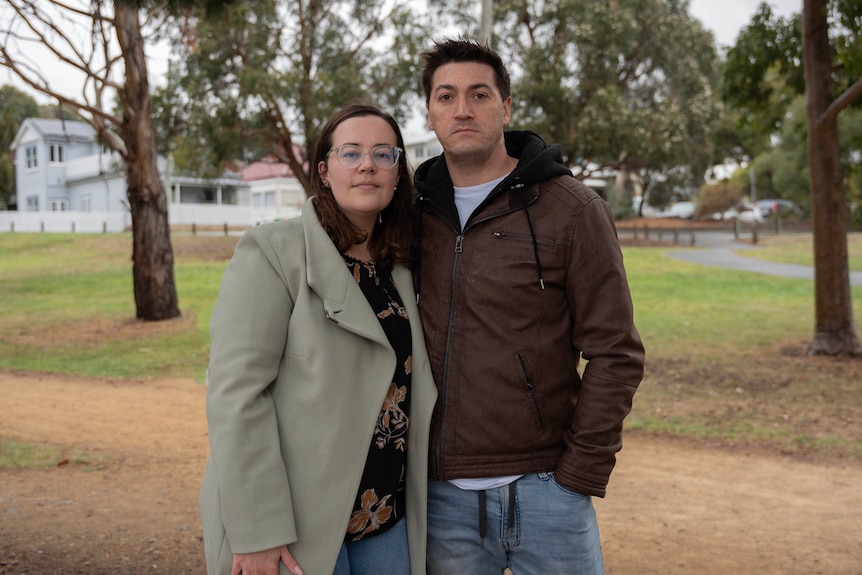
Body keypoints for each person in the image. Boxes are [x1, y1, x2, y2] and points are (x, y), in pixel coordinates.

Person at [413, 38, 645, 575]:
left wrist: (578, 474)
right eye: (446, 96)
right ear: (429, 111)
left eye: (479, 94)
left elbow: (616, 353)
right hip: (440, 495)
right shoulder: (411, 212)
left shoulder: (573, 209)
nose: (462, 109)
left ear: (507, 107)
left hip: (546, 491)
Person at [200, 101, 437, 575]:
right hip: (294, 526)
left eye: (383, 154)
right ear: (324, 171)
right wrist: (258, 530)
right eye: (351, 153)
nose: (367, 164)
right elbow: (235, 394)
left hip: (383, 520)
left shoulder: (402, 269)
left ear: (397, 175)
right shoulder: (272, 252)